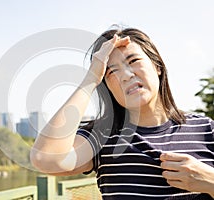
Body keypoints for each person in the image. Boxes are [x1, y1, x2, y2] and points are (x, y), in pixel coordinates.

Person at [30, 25, 214, 199]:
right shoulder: (102, 136)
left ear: (157, 66)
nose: (126, 75)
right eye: (111, 72)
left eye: (133, 61)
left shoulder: (206, 129)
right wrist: (91, 79)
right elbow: (45, 158)